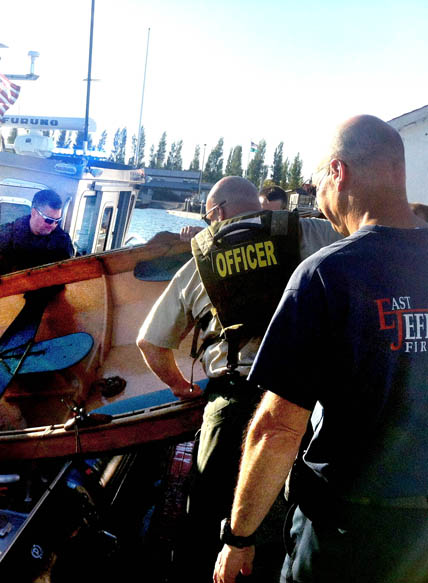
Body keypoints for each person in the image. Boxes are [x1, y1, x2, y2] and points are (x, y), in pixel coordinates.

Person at [214, 115, 428, 583]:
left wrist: (239, 536)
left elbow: (276, 429)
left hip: (345, 535)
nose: (319, 202)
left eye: (316, 186)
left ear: (339, 173)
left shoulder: (326, 275)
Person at [137, 176, 340, 581]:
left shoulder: (202, 258)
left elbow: (149, 342)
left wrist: (182, 387)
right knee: (283, 523)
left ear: (218, 213)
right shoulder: (309, 231)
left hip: (230, 402)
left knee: (207, 519)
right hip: (300, 402)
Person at [0, 189, 74, 290]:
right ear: (34, 213)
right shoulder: (10, 233)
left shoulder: (62, 241)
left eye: (57, 221)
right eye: (48, 220)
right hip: (8, 295)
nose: (53, 225)